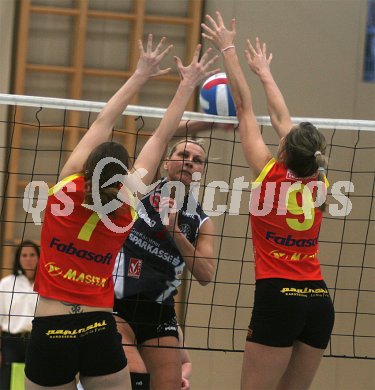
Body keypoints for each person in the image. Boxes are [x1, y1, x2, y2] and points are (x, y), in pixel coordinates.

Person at [24, 33, 219, 390]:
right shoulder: (127, 207)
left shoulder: (64, 189)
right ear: (124, 176)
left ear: (88, 167)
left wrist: (140, 74)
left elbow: (103, 121)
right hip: (99, 330)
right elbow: (160, 137)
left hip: (51, 329)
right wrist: (187, 84)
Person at [202, 12, 335, 390]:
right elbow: (282, 119)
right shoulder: (320, 180)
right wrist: (264, 71)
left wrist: (229, 49)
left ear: (284, 151)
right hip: (318, 303)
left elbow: (244, 107)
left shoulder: (268, 171)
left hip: (279, 298)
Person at [112, 135, 215, 390]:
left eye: (197, 160)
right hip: (117, 302)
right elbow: (160, 135)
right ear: (167, 161)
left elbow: (206, 274)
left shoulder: (202, 221)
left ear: (202, 171)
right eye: (183, 155)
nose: (190, 163)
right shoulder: (141, 190)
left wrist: (176, 232)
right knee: (134, 376)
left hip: (159, 310)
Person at [0, 240, 39, 390]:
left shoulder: (46, 285)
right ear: (18, 258)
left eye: (32, 255)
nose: (28, 259)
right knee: (8, 385)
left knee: (34, 385)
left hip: (37, 343)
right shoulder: (6, 284)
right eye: (24, 255)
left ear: (39, 257)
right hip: (11, 344)